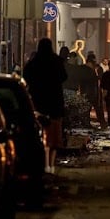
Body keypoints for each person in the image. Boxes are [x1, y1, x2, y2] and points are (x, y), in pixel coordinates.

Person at [23, 37, 68, 173]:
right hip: (54, 104)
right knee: (54, 140)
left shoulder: (33, 63)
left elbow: (26, 77)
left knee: (41, 136)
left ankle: (43, 164)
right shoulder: (56, 61)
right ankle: (51, 165)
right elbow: (64, 77)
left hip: (38, 104)